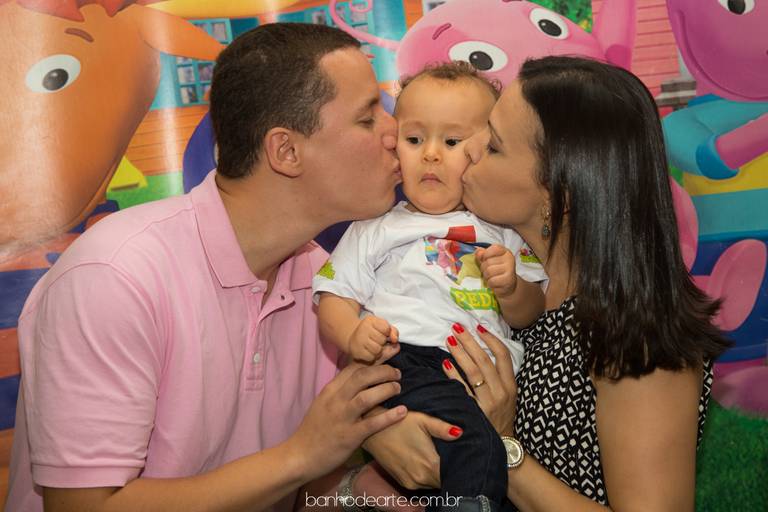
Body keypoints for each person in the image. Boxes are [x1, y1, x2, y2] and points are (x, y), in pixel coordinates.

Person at [4, 23, 462, 512]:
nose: (396, 133)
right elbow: (83, 507)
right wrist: (301, 456)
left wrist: (374, 489)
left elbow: (301, 488)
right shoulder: (113, 275)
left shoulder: (326, 282)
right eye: (368, 117)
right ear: (286, 151)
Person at [400, 55, 729, 511]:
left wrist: (502, 447)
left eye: (493, 144)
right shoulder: (506, 275)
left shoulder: (640, 340)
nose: (469, 147)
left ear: (558, 196)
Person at [313, 62, 546, 512]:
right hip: (410, 359)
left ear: (487, 151)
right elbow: (334, 297)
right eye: (415, 139)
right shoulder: (375, 228)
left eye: (453, 142)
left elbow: (528, 312)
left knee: (481, 461)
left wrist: (512, 287)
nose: (431, 155)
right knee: (474, 447)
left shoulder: (504, 230)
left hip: (484, 377)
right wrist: (353, 335)